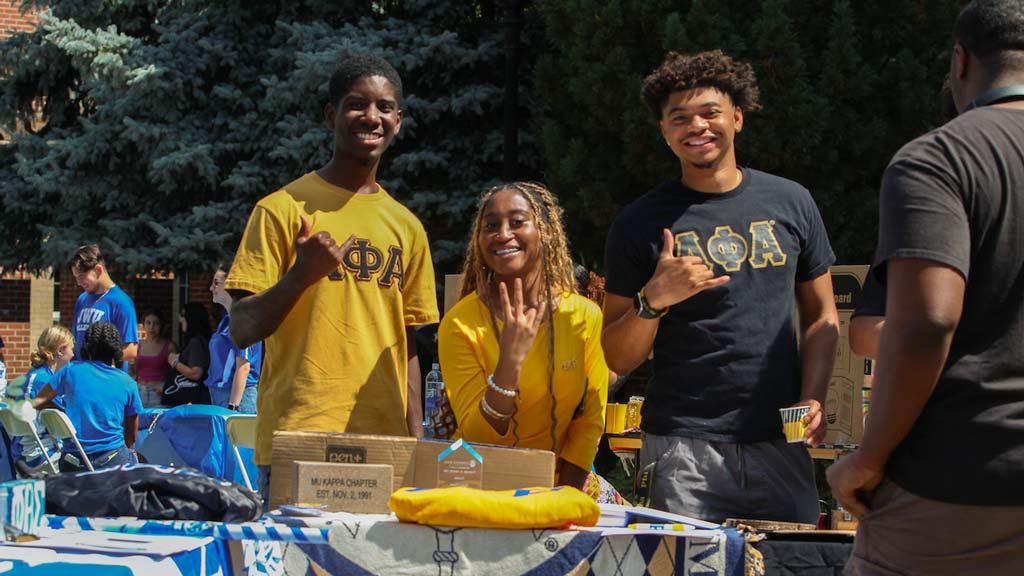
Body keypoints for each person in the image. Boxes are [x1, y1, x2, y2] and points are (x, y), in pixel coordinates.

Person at [827, 1, 1024, 572]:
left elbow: (927, 321)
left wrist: (868, 458)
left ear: (960, 61)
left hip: (962, 479)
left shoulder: (940, 159)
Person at [601, 50, 839, 524]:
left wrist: (812, 396)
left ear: (738, 116)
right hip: (681, 451)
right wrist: (654, 300)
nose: (697, 127)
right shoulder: (638, 223)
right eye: (680, 118)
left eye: (710, 112)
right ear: (665, 133)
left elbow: (823, 317)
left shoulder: (792, 202)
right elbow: (614, 355)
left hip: (779, 442)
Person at [225, 54, 439, 498]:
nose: (372, 117)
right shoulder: (281, 209)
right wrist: (301, 275)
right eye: (357, 104)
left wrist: (415, 440)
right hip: (299, 437)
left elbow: (410, 347)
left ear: (398, 120)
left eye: (384, 107)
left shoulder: (408, 227)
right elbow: (242, 330)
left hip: (383, 444)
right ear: (331, 115)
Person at [438, 182, 608, 490]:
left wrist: (562, 499)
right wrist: (509, 364)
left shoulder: (583, 316)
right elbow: (477, 439)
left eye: (517, 222)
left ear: (545, 231)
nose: (503, 234)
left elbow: (589, 423)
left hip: (559, 488)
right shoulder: (460, 323)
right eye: (491, 226)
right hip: (475, 489)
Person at [32, 322, 142, 472]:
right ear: (116, 348)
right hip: (112, 461)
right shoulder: (128, 383)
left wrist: (61, 413)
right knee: (141, 459)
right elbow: (131, 436)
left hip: (73, 462)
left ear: (86, 346)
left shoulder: (70, 371)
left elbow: (38, 401)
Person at [5, 326, 74, 474]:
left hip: (22, 454)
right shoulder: (44, 381)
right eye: (71, 349)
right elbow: (71, 413)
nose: (73, 354)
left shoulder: (32, 375)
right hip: (42, 455)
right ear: (60, 351)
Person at [68, 244, 138, 371]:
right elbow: (74, 341)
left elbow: (131, 350)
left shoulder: (121, 302)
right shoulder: (82, 299)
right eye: (76, 277)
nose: (78, 282)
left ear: (98, 270)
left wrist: (99, 367)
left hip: (108, 381)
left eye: (82, 276)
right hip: (81, 379)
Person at [207, 263, 261, 413]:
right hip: (221, 395)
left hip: (238, 398)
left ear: (231, 284)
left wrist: (233, 407)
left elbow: (243, 367)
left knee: (238, 438)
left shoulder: (244, 320)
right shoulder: (226, 321)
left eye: (216, 283)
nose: (211, 288)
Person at [164, 302, 212, 406]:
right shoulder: (201, 340)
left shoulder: (196, 342)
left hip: (193, 399)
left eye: (183, 316)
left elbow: (196, 373)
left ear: (191, 318)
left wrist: (174, 362)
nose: (181, 320)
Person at [134, 308, 176, 408]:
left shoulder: (169, 346)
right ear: (143, 325)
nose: (152, 327)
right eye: (148, 323)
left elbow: (176, 372)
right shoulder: (137, 345)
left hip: (159, 390)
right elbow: (132, 370)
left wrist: (166, 388)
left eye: (156, 323)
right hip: (140, 390)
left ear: (161, 326)